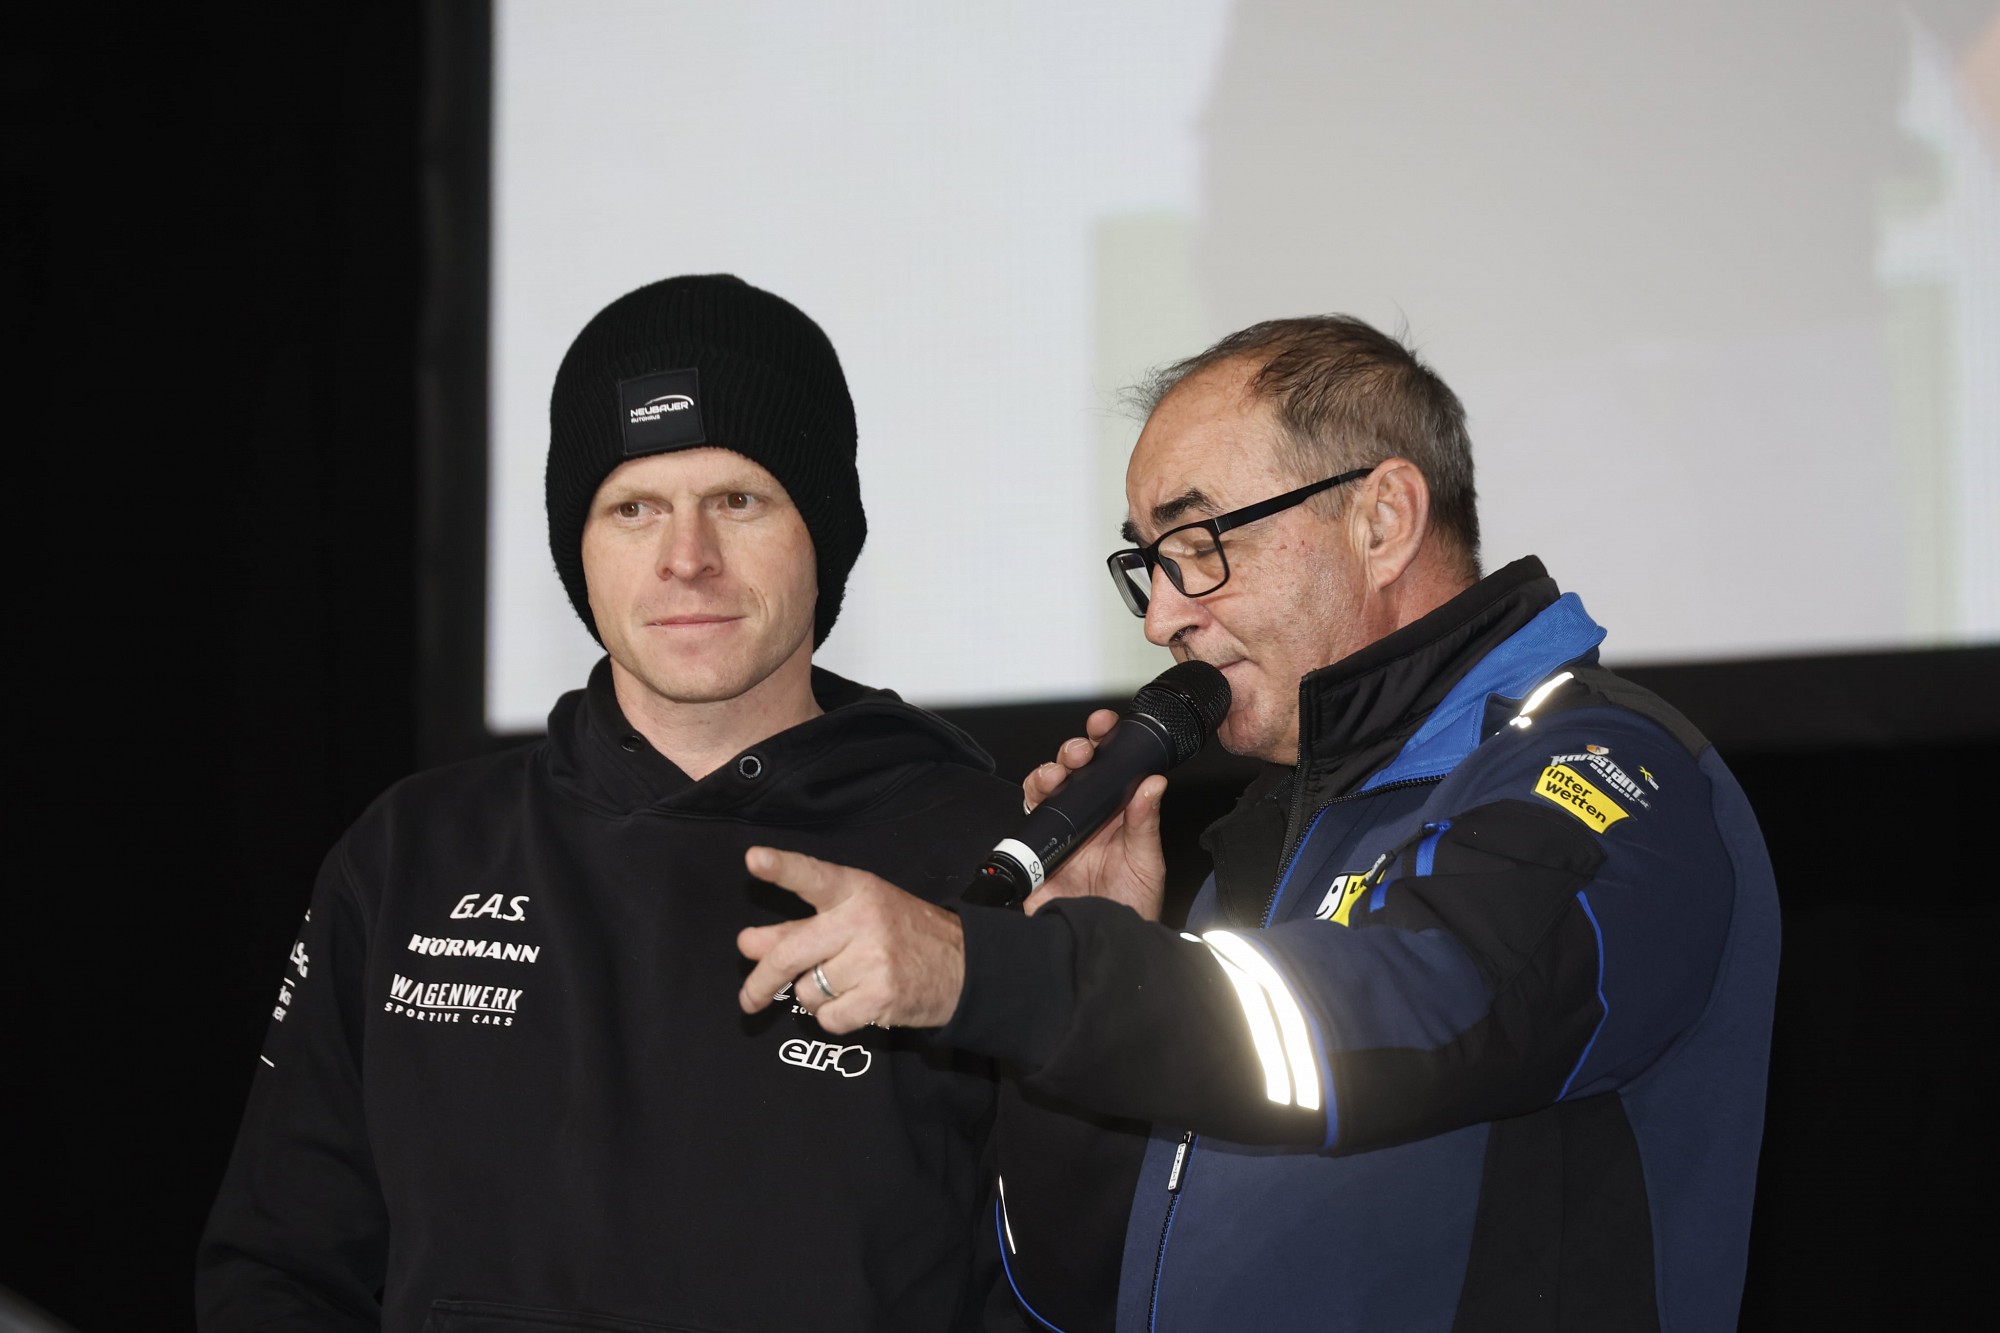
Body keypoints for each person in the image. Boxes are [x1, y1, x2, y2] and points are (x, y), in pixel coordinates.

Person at [738, 316, 1781, 1331]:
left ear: (1382, 519)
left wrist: (1003, 972)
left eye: (1199, 544)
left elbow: (1430, 1010)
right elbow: (1080, 1286)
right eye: (1148, 563)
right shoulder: (1272, 840)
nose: (1163, 615)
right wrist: (1103, 944)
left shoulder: (1606, 767)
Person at [197, 275, 1022, 1333]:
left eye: (738, 500)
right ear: (576, 548)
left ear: (823, 530)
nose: (687, 559)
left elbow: (1067, 1283)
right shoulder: (413, 853)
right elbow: (276, 1267)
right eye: (633, 508)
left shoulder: (988, 854)